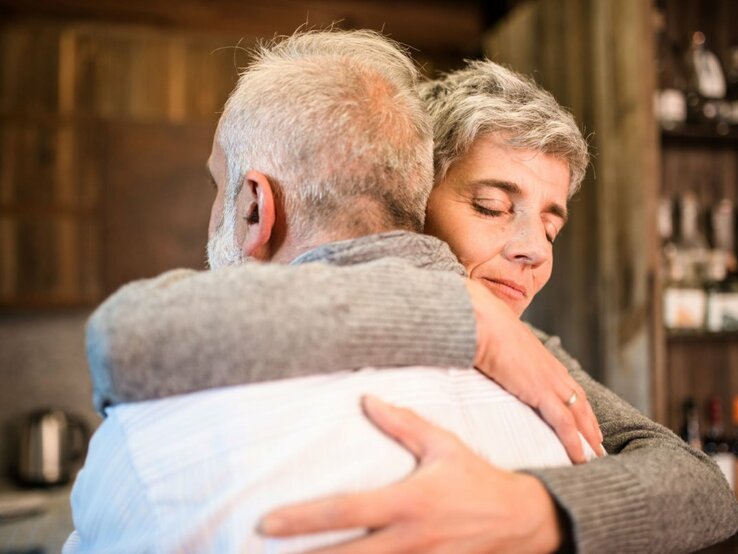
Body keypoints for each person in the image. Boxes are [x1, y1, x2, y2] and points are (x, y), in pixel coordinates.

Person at [76, 35, 738, 554]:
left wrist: (534, 508)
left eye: (552, 220)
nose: (535, 248)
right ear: (412, 195)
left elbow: (702, 487)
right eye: (489, 204)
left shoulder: (534, 355)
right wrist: (458, 312)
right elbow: (132, 335)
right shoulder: (470, 323)